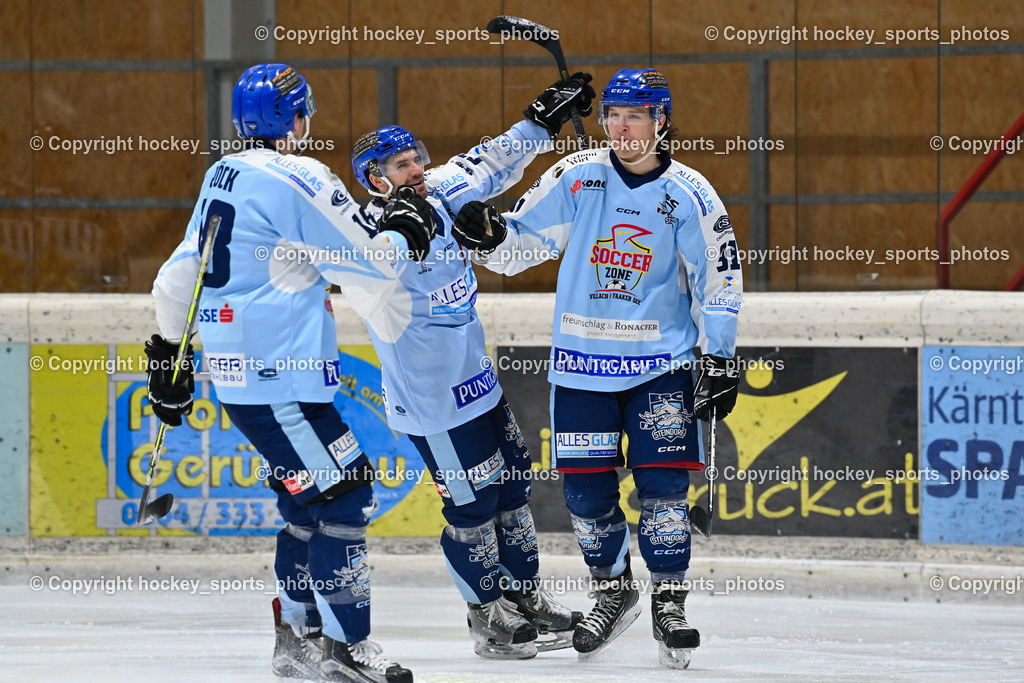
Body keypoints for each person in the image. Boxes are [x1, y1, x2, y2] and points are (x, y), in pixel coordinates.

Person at [148, 63, 436, 683]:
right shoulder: (302, 175)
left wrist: (169, 354)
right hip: (281, 379)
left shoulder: (223, 173)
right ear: (295, 116)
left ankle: (298, 639)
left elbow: (176, 278)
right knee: (347, 492)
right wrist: (407, 232)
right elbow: (370, 267)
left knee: (306, 502)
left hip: (245, 377)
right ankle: (345, 647)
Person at [449, 67, 743, 669]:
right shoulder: (577, 176)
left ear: (662, 121)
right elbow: (522, 245)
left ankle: (670, 601)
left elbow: (720, 280)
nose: (621, 126)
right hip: (581, 370)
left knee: (663, 491)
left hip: (659, 367)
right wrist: (483, 233)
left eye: (635, 115)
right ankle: (613, 592)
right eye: (612, 114)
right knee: (585, 498)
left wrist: (719, 358)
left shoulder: (690, 193)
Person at [347, 70, 596, 660]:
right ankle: (485, 616)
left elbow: (495, 160)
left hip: (476, 380)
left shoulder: (438, 188)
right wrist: (399, 235)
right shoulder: (364, 228)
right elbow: (360, 278)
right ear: (375, 181)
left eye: (417, 158)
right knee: (471, 504)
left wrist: (543, 119)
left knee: (513, 485)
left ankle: (523, 598)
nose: (417, 171)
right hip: (430, 398)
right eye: (402, 166)